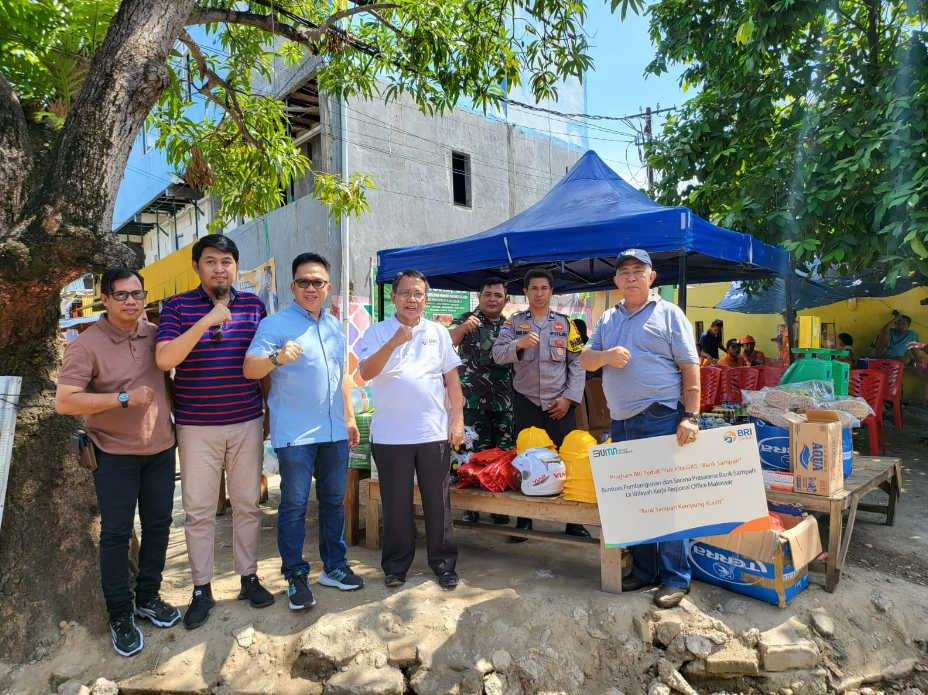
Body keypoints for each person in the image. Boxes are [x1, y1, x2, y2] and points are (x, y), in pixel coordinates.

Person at [56, 269, 179, 656]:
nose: (131, 301)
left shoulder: (155, 334)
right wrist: (122, 398)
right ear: (104, 299)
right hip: (112, 455)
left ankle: (148, 596)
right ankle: (120, 615)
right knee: (115, 534)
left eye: (137, 294)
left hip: (160, 449)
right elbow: (65, 401)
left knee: (159, 524)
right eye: (121, 294)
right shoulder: (86, 345)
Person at [155, 234, 274, 629]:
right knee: (199, 512)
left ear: (236, 266)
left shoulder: (255, 307)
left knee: (247, 505)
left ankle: (248, 577)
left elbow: (261, 362)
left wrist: (269, 408)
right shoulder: (176, 306)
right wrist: (207, 320)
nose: (219, 268)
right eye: (210, 261)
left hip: (245, 420)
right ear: (197, 267)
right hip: (196, 426)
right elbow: (165, 359)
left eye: (226, 261)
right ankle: (201, 589)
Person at [578, 248, 701, 609]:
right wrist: (606, 357)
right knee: (634, 498)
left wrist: (691, 415)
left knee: (666, 499)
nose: (631, 277)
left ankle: (676, 578)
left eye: (638, 270)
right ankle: (646, 570)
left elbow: (690, 367)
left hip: (661, 417)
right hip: (622, 421)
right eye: (624, 272)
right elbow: (586, 359)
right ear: (615, 280)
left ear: (651, 277)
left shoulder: (669, 314)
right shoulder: (607, 319)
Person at [244, 253, 363, 611]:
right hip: (295, 433)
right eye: (304, 282)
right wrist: (277, 357)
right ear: (293, 286)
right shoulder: (275, 325)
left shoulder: (333, 327)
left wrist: (350, 418)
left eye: (318, 282)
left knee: (333, 503)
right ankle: (295, 575)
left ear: (328, 288)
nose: (311, 288)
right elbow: (250, 368)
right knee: (294, 506)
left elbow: (341, 375)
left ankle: (335, 567)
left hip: (333, 431)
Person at [358, 270, 465, 589]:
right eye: (405, 293)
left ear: (426, 299)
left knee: (438, 501)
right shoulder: (377, 332)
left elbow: (453, 380)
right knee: (396, 503)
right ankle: (395, 565)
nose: (412, 299)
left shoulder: (438, 333)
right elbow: (365, 372)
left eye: (418, 294)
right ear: (393, 298)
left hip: (433, 432)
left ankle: (443, 563)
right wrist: (393, 343)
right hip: (391, 435)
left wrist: (457, 419)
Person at [492, 268, 590, 540]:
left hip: (560, 403)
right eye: (533, 288)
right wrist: (519, 344)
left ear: (550, 291)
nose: (538, 293)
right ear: (525, 292)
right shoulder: (513, 324)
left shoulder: (566, 324)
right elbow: (498, 354)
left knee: (568, 458)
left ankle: (573, 520)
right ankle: (525, 520)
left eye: (544, 288)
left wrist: (570, 398)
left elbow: (578, 364)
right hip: (526, 402)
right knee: (526, 459)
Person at [449, 277, 513, 526]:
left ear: (505, 300)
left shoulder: (511, 324)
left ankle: (499, 508)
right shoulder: (465, 318)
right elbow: (447, 341)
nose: (493, 299)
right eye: (488, 294)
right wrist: (464, 328)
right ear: (479, 296)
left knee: (502, 457)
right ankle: (471, 508)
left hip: (504, 403)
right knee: (471, 456)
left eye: (498, 295)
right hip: (472, 402)